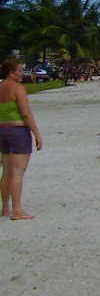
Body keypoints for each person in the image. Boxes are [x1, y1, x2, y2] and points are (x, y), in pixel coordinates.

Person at [0, 58, 44, 219]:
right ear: (12, 73)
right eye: (19, 70)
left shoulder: (1, 86)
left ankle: (6, 208)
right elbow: (26, 113)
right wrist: (37, 134)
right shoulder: (17, 88)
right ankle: (17, 210)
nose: (22, 74)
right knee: (18, 172)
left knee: (6, 171)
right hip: (17, 130)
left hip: (2, 130)